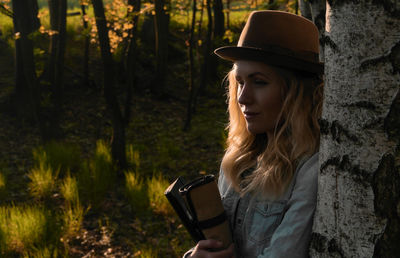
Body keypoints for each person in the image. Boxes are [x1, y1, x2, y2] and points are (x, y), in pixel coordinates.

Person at [184, 10, 323, 258]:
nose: (242, 97)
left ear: (296, 92)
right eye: (240, 82)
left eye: (259, 82)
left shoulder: (310, 168)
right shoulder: (236, 159)